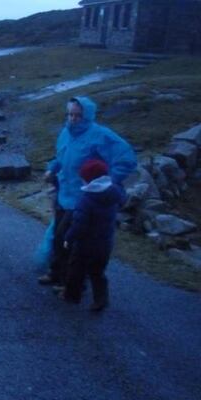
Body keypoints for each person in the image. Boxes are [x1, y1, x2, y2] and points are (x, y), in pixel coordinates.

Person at [39, 96, 136, 288]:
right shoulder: (66, 133)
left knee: (70, 239)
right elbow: (61, 156)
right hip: (63, 193)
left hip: (83, 198)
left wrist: (105, 183)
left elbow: (127, 160)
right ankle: (56, 273)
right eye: (70, 114)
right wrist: (52, 169)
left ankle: (71, 282)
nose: (72, 119)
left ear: (88, 116)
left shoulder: (100, 135)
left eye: (77, 115)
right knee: (58, 237)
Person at [62, 160, 125, 311]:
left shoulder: (87, 199)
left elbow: (79, 224)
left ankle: (71, 295)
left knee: (76, 269)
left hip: (85, 243)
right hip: (105, 243)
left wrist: (68, 238)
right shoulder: (114, 192)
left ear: (88, 179)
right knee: (97, 272)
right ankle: (100, 300)